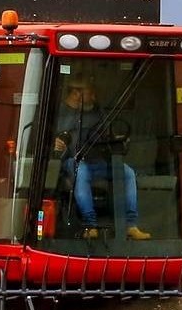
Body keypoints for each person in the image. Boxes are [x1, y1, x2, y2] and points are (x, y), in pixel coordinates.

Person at [54, 77, 150, 240]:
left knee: (127, 173)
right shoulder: (58, 113)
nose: (94, 96)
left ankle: (130, 225)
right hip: (71, 161)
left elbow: (108, 132)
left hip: (98, 160)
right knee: (80, 170)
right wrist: (53, 143)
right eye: (90, 92)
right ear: (77, 93)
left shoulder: (98, 112)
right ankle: (90, 224)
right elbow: (40, 137)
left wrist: (116, 138)